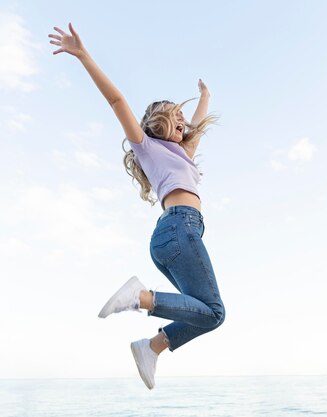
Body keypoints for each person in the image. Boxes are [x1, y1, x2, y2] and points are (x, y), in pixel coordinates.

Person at [48, 23, 226, 389]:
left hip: (175, 236)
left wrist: (205, 96)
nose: (182, 122)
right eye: (174, 116)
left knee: (205, 313)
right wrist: (83, 55)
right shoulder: (147, 146)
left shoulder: (181, 154)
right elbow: (117, 101)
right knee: (214, 312)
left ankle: (152, 346)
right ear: (158, 124)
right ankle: (138, 298)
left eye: (182, 118)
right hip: (179, 229)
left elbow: (198, 129)